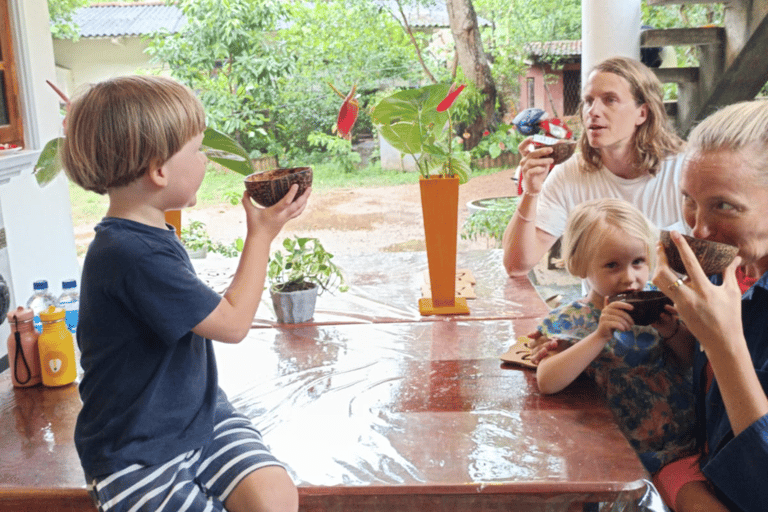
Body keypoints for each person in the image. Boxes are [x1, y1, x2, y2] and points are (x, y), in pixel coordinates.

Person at [62, 75, 309, 512]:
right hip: (137, 452)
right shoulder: (130, 253)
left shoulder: (148, 231)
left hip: (200, 417)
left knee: (275, 497)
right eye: (197, 151)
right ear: (158, 171)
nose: (206, 162)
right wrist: (262, 235)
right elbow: (231, 324)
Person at [651, 99, 768, 512]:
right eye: (689, 201)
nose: (698, 228)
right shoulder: (726, 275)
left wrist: (724, 343)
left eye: (724, 206)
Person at [534, 199, 702, 481]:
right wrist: (600, 335)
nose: (630, 278)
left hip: (683, 444)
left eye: (638, 262)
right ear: (580, 266)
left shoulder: (667, 303)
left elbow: (691, 362)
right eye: (612, 265)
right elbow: (547, 381)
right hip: (614, 452)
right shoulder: (573, 320)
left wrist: (672, 331)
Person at [502, 56, 686, 277]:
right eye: (588, 101)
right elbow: (516, 265)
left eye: (610, 100)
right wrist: (531, 193)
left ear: (642, 113)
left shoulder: (684, 171)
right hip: (602, 310)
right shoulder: (569, 174)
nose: (593, 111)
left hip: (675, 309)